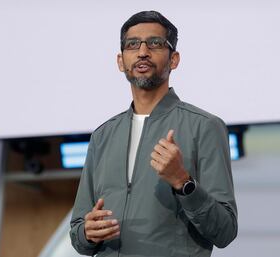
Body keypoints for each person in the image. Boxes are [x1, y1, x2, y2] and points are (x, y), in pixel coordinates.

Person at [70, 10, 237, 257]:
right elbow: (77, 234)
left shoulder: (204, 126)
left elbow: (225, 230)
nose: (142, 51)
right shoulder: (102, 136)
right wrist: (88, 232)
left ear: (174, 59)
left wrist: (183, 182)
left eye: (156, 43)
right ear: (120, 61)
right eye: (132, 44)